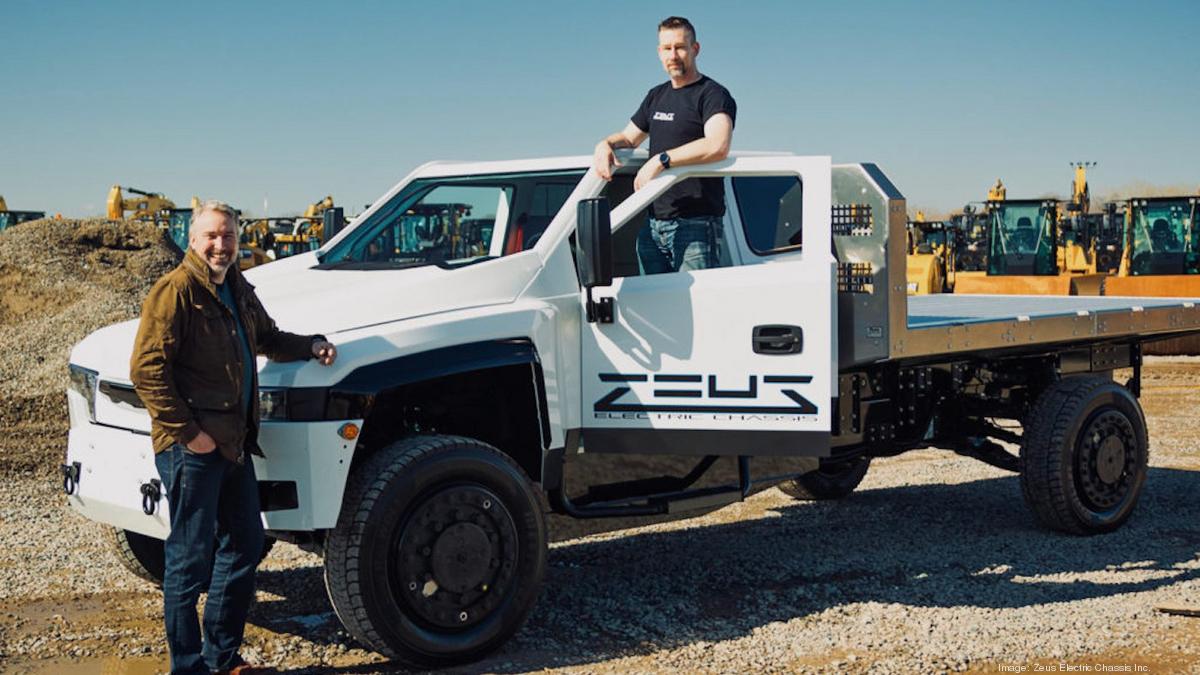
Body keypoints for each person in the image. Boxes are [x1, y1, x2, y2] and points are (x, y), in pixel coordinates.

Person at [131, 200, 337, 674]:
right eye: (211, 237)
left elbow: (268, 338)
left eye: (228, 237)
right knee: (188, 559)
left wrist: (311, 346)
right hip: (195, 449)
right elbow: (146, 369)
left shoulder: (237, 288)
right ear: (193, 240)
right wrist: (189, 435)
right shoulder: (177, 291)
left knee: (243, 544)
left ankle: (221, 658)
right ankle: (188, 667)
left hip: (234, 444)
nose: (221, 245)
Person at [593, 15, 736, 274]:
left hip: (696, 225)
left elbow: (718, 144)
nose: (674, 55)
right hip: (653, 225)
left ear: (695, 49)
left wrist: (661, 160)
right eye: (667, 48)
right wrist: (604, 144)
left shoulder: (712, 94)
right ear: (659, 52)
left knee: (698, 310)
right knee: (656, 311)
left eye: (680, 47)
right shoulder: (656, 96)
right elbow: (628, 137)